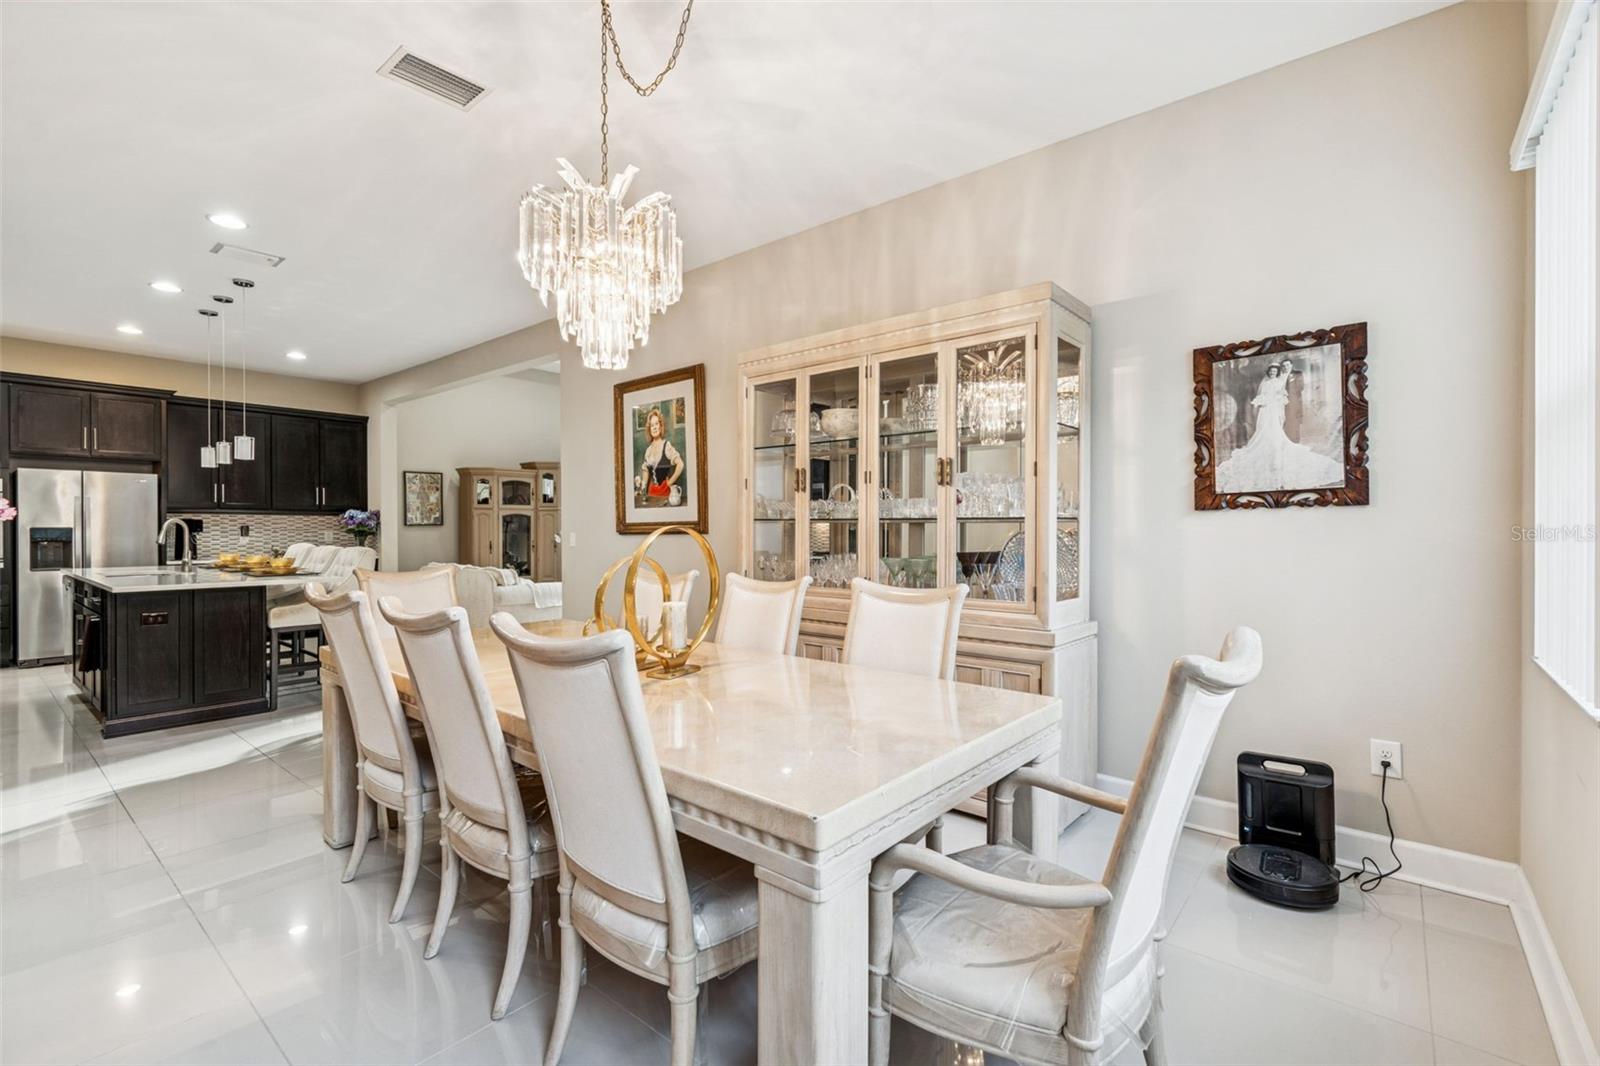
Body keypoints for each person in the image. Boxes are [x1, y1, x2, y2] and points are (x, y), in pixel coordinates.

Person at [1215, 358, 1343, 493]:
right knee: (1264, 430)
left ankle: (1275, 449)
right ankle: (1268, 447)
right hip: (1265, 411)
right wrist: (1262, 402)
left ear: (1277, 372)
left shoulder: (1280, 381)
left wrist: (1279, 410)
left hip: (1274, 410)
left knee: (1276, 432)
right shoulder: (1265, 383)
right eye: (1271, 371)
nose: (1273, 373)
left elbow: (1282, 397)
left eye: (1275, 371)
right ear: (1269, 372)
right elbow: (1261, 396)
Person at [639, 407, 684, 503]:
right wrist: (643, 488)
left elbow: (680, 464)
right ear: (649, 429)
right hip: (651, 493)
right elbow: (645, 470)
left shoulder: (666, 446)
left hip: (665, 494)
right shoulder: (648, 450)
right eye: (652, 425)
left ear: (660, 425)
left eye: (656, 424)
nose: (654, 427)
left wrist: (670, 482)